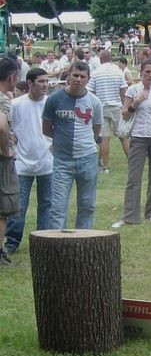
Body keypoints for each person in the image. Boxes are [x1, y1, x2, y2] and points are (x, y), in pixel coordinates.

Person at [42, 61, 103, 230]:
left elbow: (96, 128)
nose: (78, 79)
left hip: (88, 158)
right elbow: (46, 128)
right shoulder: (54, 99)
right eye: (75, 75)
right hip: (62, 160)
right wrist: (62, 140)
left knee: (87, 205)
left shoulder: (95, 102)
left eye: (83, 77)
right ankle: (57, 248)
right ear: (68, 75)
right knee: (58, 208)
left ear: (88, 79)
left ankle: (82, 245)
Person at [111, 58, 151, 228]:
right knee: (134, 177)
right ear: (141, 72)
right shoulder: (132, 90)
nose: (150, 75)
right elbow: (124, 115)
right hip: (138, 136)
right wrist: (136, 102)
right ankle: (130, 215)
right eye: (147, 72)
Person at [3, 68, 52, 255]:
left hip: (48, 163)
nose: (45, 85)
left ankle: (43, 239)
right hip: (22, 164)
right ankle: (12, 241)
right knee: (18, 206)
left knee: (46, 204)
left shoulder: (50, 103)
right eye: (41, 81)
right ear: (29, 83)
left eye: (47, 81)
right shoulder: (16, 105)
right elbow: (6, 128)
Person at [87, 50, 128, 173]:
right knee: (123, 136)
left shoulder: (95, 73)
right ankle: (132, 162)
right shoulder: (119, 72)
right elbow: (123, 92)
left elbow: (91, 93)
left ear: (100, 60)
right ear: (111, 59)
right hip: (117, 107)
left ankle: (105, 167)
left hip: (101, 108)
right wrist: (124, 106)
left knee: (104, 138)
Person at [0, 57, 21, 265]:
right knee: (2, 209)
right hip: (1, 162)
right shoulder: (3, 99)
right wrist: (6, 149)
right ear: (12, 76)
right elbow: (1, 124)